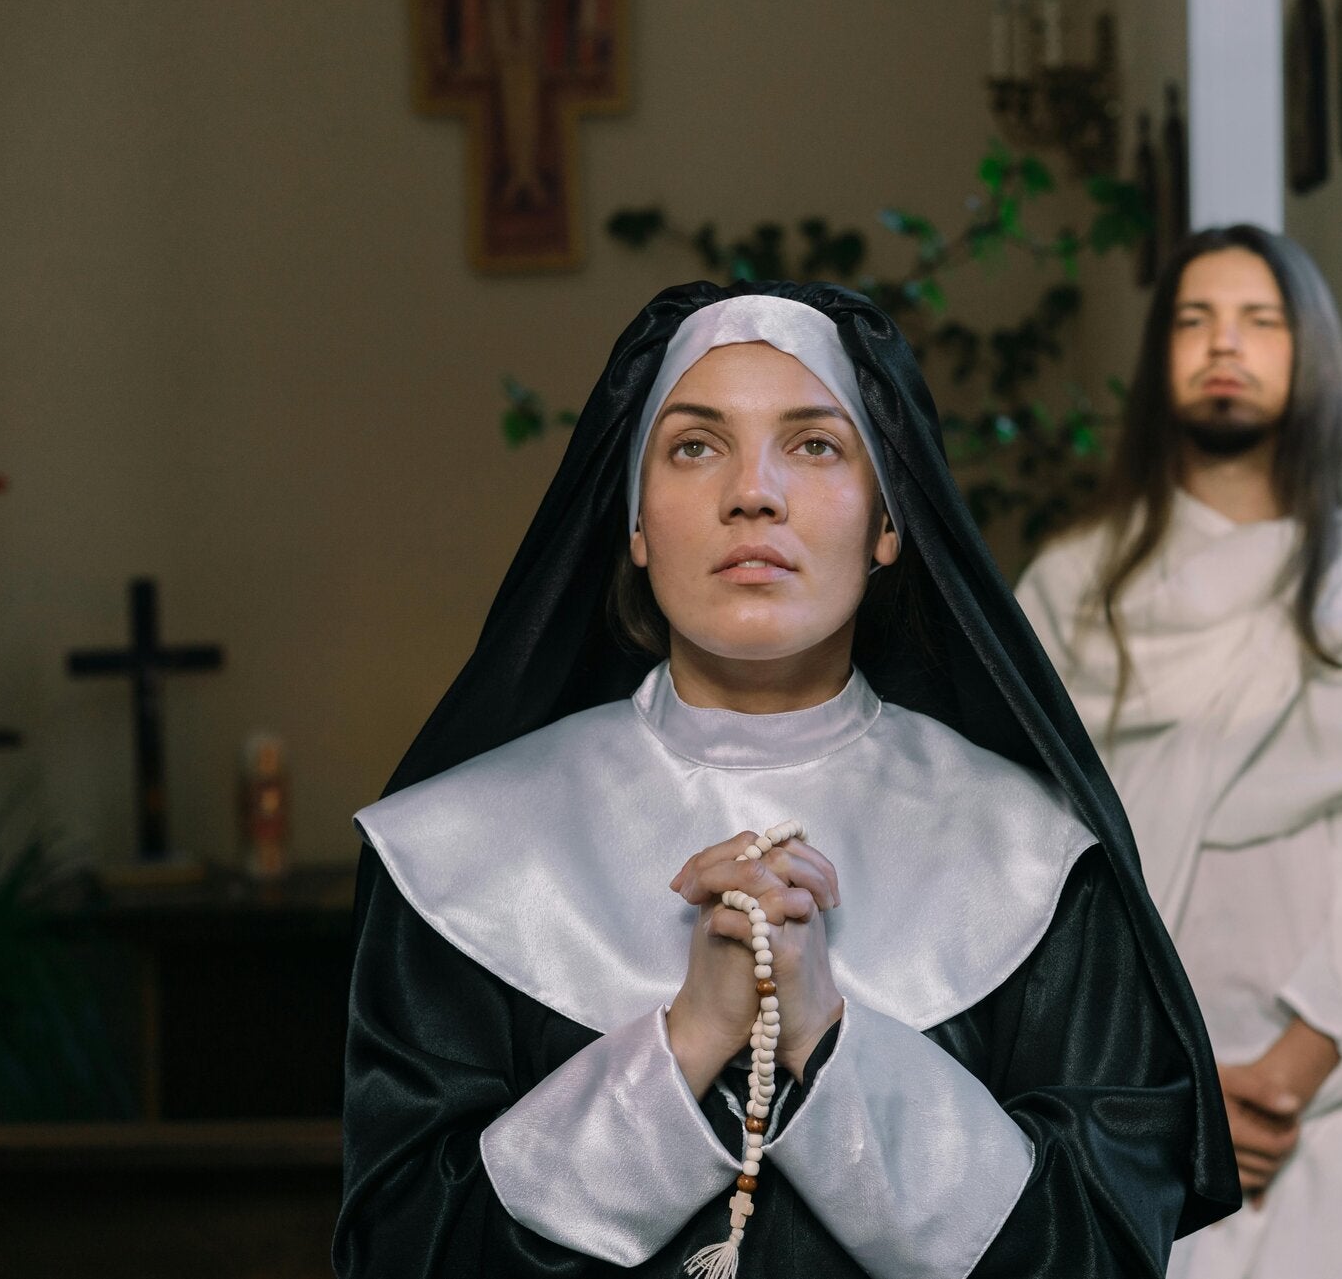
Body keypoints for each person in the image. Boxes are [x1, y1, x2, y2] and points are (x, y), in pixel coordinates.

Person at [333, 282, 1241, 1278]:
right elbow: (405, 1250)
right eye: (695, 446)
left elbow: (1100, 1252)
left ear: (888, 521)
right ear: (636, 523)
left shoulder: (1036, 858)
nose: (752, 493)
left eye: (813, 444)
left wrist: (825, 1033)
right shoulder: (461, 854)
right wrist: (686, 1042)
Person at [1017, 226, 1342, 1278]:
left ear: (1310, 355)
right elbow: (1025, 856)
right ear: (1159, 358)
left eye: (1259, 321)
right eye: (1196, 319)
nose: (1226, 344)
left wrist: (1294, 1066)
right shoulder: (1072, 592)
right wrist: (1176, 1087)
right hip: (1146, 1093)